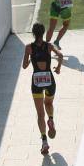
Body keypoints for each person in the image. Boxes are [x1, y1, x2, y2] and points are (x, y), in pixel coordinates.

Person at [22, 23, 63, 155]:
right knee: (49, 103)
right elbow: (60, 55)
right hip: (49, 80)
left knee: (40, 114)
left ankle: (44, 141)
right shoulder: (49, 46)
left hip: (36, 83)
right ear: (44, 32)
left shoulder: (29, 47)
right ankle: (51, 119)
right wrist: (58, 68)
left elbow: (24, 66)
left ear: (33, 33)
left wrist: (30, 60)